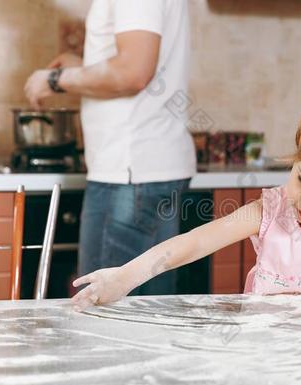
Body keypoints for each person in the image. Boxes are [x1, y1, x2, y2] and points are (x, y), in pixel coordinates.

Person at [72, 100, 301, 323]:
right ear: (297, 156)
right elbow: (193, 243)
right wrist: (126, 277)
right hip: (263, 343)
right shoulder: (270, 209)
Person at [24, 1, 196, 295]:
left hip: (128, 175)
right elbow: (136, 64)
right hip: (145, 169)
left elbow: (133, 73)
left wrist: (55, 80)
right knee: (151, 312)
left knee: (107, 316)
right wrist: (86, 65)